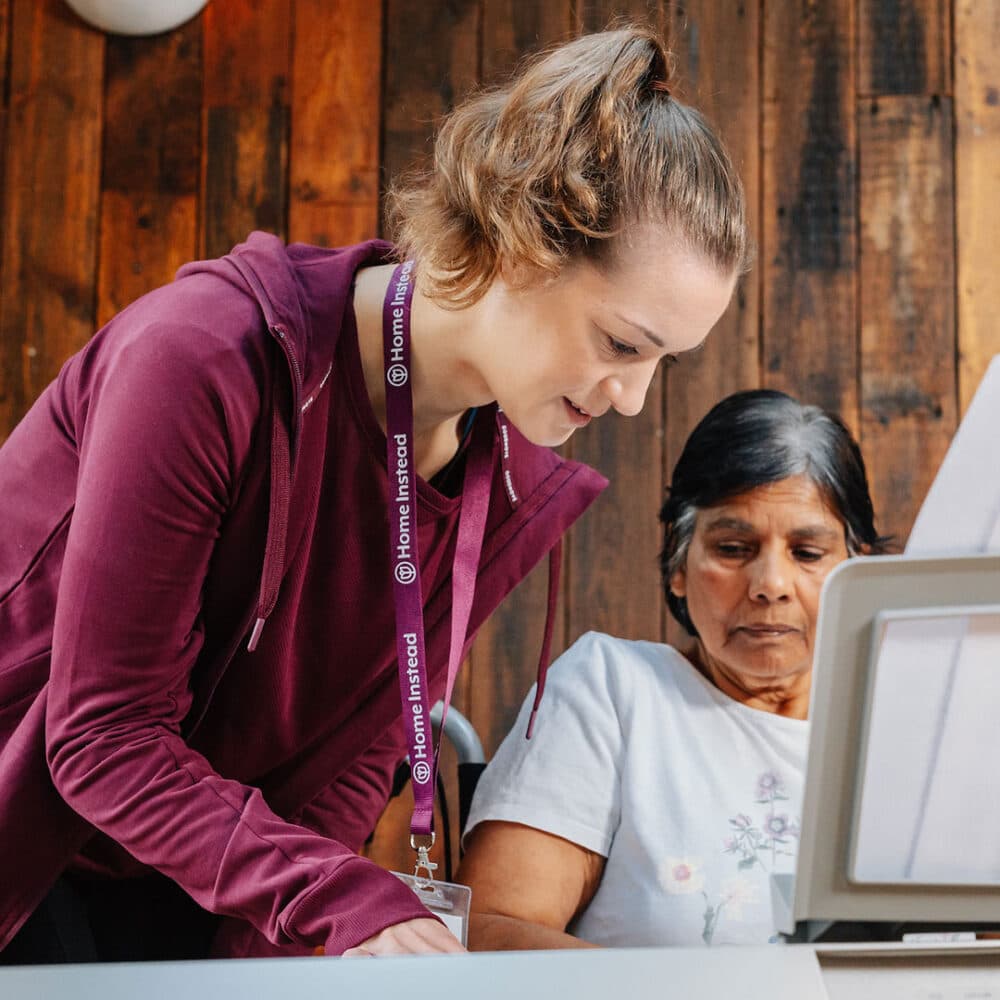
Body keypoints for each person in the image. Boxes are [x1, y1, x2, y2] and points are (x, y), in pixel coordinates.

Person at [0, 26, 747, 961]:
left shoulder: (501, 474)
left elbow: (354, 760)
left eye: (662, 364)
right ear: (520, 244)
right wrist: (336, 901)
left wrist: (319, 940)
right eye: (623, 345)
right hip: (25, 851)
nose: (634, 400)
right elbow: (102, 739)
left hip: (188, 885)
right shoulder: (199, 360)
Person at [458, 389, 891, 950]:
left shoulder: (905, 725)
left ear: (858, 571)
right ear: (679, 565)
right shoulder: (613, 691)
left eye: (807, 554)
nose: (771, 586)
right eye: (733, 548)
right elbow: (491, 930)